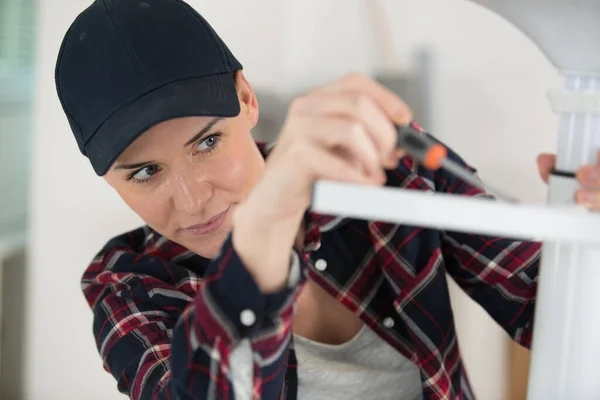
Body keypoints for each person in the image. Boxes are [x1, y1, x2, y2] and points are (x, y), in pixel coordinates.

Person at [55, 1, 600, 399]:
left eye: (207, 143)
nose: (194, 199)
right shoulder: (126, 286)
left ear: (245, 100)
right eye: (145, 172)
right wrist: (265, 225)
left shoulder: (381, 167)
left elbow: (551, 310)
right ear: (106, 178)